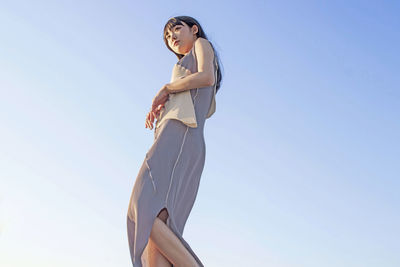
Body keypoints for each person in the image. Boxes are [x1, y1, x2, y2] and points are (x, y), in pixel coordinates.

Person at [127, 15, 222, 267]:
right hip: (175, 139)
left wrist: (168, 89)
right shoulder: (182, 72)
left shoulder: (202, 45)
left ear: (194, 29)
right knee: (156, 233)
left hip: (181, 139)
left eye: (176, 29)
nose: (173, 38)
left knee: (141, 209)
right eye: (168, 37)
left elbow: (207, 77)